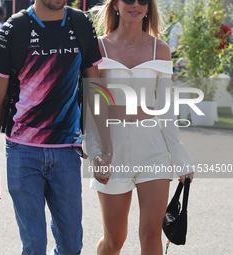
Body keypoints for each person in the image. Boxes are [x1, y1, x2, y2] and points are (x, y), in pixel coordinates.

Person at [0, 0, 102, 254]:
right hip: (22, 151)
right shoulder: (14, 28)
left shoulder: (81, 23)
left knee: (71, 246)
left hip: (67, 151)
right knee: (34, 246)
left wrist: (101, 146)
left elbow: (96, 89)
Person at [85, 0, 194, 254]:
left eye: (142, 0)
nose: (136, 5)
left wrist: (180, 159)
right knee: (114, 240)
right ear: (114, 5)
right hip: (112, 153)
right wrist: (94, 152)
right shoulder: (98, 48)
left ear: (149, 7)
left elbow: (167, 111)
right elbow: (92, 106)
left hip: (154, 152)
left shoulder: (161, 50)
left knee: (150, 234)